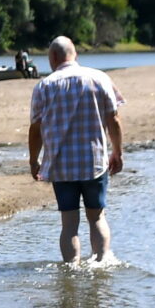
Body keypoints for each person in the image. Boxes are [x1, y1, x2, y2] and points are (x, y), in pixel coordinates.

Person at [26, 34, 123, 265]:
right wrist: (117, 152)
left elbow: (35, 129)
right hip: (94, 162)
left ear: (53, 57)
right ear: (74, 54)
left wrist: (34, 161)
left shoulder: (44, 86)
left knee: (69, 224)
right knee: (97, 216)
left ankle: (72, 269)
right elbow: (114, 119)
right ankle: (100, 264)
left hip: (61, 165)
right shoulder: (99, 78)